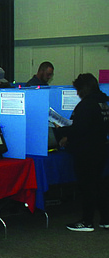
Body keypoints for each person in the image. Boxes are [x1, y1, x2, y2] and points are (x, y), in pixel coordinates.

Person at [56, 73, 109, 232]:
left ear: (83, 88)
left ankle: (87, 222)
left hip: (87, 151)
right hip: (101, 148)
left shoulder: (86, 105)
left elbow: (79, 129)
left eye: (78, 89)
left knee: (87, 187)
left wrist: (61, 131)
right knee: (99, 185)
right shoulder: (104, 102)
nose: (77, 93)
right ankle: (105, 220)